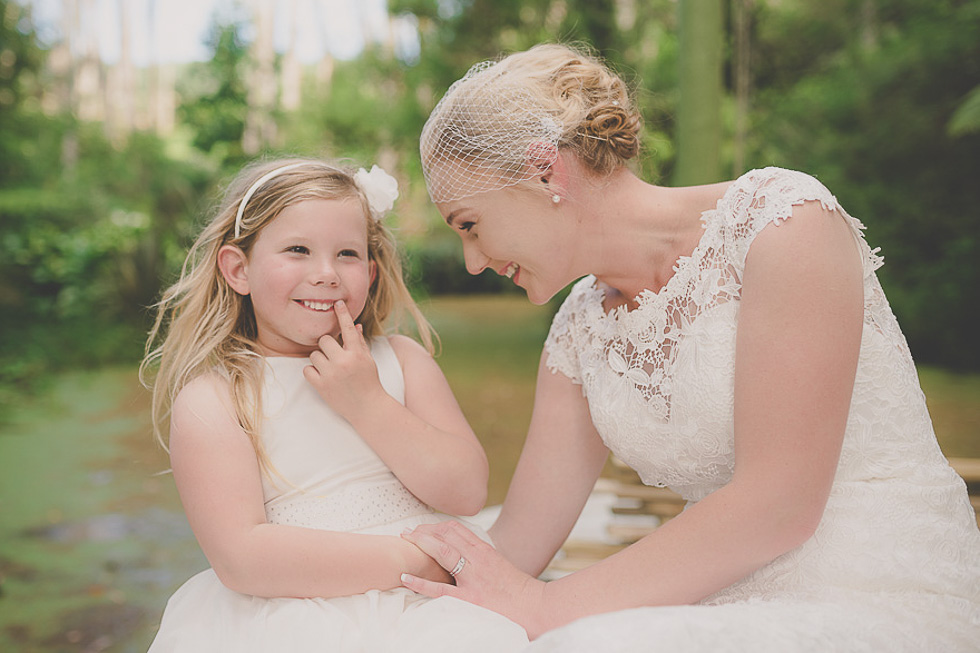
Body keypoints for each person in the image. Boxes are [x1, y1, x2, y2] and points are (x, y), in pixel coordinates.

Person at [400, 43, 980, 651]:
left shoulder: (780, 224)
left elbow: (780, 504)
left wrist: (547, 604)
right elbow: (517, 541)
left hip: (878, 590)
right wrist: (347, 556)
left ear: (546, 169)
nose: (469, 262)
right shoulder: (579, 330)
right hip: (717, 602)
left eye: (469, 224)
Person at [139, 158, 529, 652]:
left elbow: (466, 490)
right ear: (239, 269)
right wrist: (412, 561)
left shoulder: (402, 363)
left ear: (369, 271)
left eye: (346, 253)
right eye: (297, 250)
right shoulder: (216, 397)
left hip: (435, 608)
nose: (325, 274)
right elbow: (242, 556)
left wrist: (367, 402)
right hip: (295, 612)